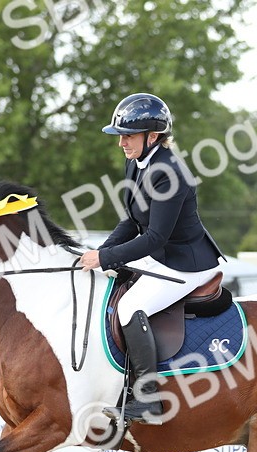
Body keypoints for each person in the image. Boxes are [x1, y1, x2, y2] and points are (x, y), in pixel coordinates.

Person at [78, 92, 225, 423]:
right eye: (121, 137)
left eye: (127, 136)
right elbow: (131, 220)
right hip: (159, 254)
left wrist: (105, 257)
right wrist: (101, 254)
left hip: (186, 263)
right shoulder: (136, 163)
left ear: (153, 135)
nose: (122, 144)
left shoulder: (170, 172)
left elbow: (155, 236)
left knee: (130, 307)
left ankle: (148, 398)